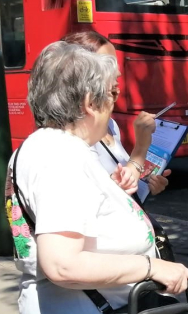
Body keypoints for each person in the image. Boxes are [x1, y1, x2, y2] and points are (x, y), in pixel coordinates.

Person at [7, 41, 188, 314]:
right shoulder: (63, 159)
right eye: (111, 94)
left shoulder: (45, 147)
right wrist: (152, 267)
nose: (115, 104)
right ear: (90, 101)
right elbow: (62, 263)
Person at [61, 31, 171, 198]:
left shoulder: (110, 125)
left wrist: (146, 185)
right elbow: (106, 201)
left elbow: (125, 187)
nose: (118, 74)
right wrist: (140, 149)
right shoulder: (72, 138)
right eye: (108, 65)